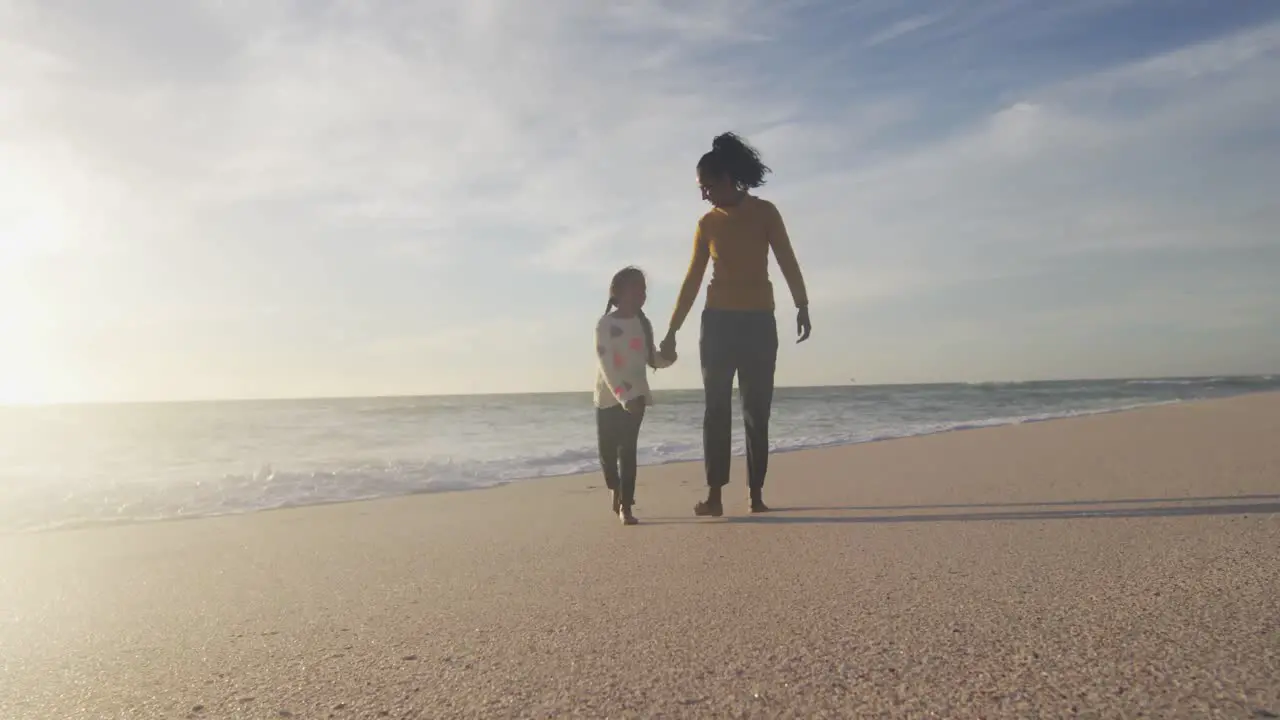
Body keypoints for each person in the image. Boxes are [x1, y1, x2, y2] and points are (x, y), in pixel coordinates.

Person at [659, 132, 811, 517]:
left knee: (757, 410)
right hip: (718, 326)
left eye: (708, 186)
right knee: (716, 410)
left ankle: (755, 494)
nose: (704, 194)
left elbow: (787, 260)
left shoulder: (765, 213)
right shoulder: (707, 224)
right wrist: (673, 329)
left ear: (728, 177)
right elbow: (693, 278)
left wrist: (802, 304)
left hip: (759, 322)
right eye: (700, 188)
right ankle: (714, 496)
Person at [594, 267, 677, 525]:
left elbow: (650, 357)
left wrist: (668, 359)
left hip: (637, 397)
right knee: (607, 453)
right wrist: (623, 397)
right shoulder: (605, 324)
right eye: (636, 288)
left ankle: (626, 506)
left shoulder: (643, 324)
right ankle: (614, 488)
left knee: (627, 451)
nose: (642, 293)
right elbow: (607, 364)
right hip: (609, 397)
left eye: (644, 289)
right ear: (617, 293)